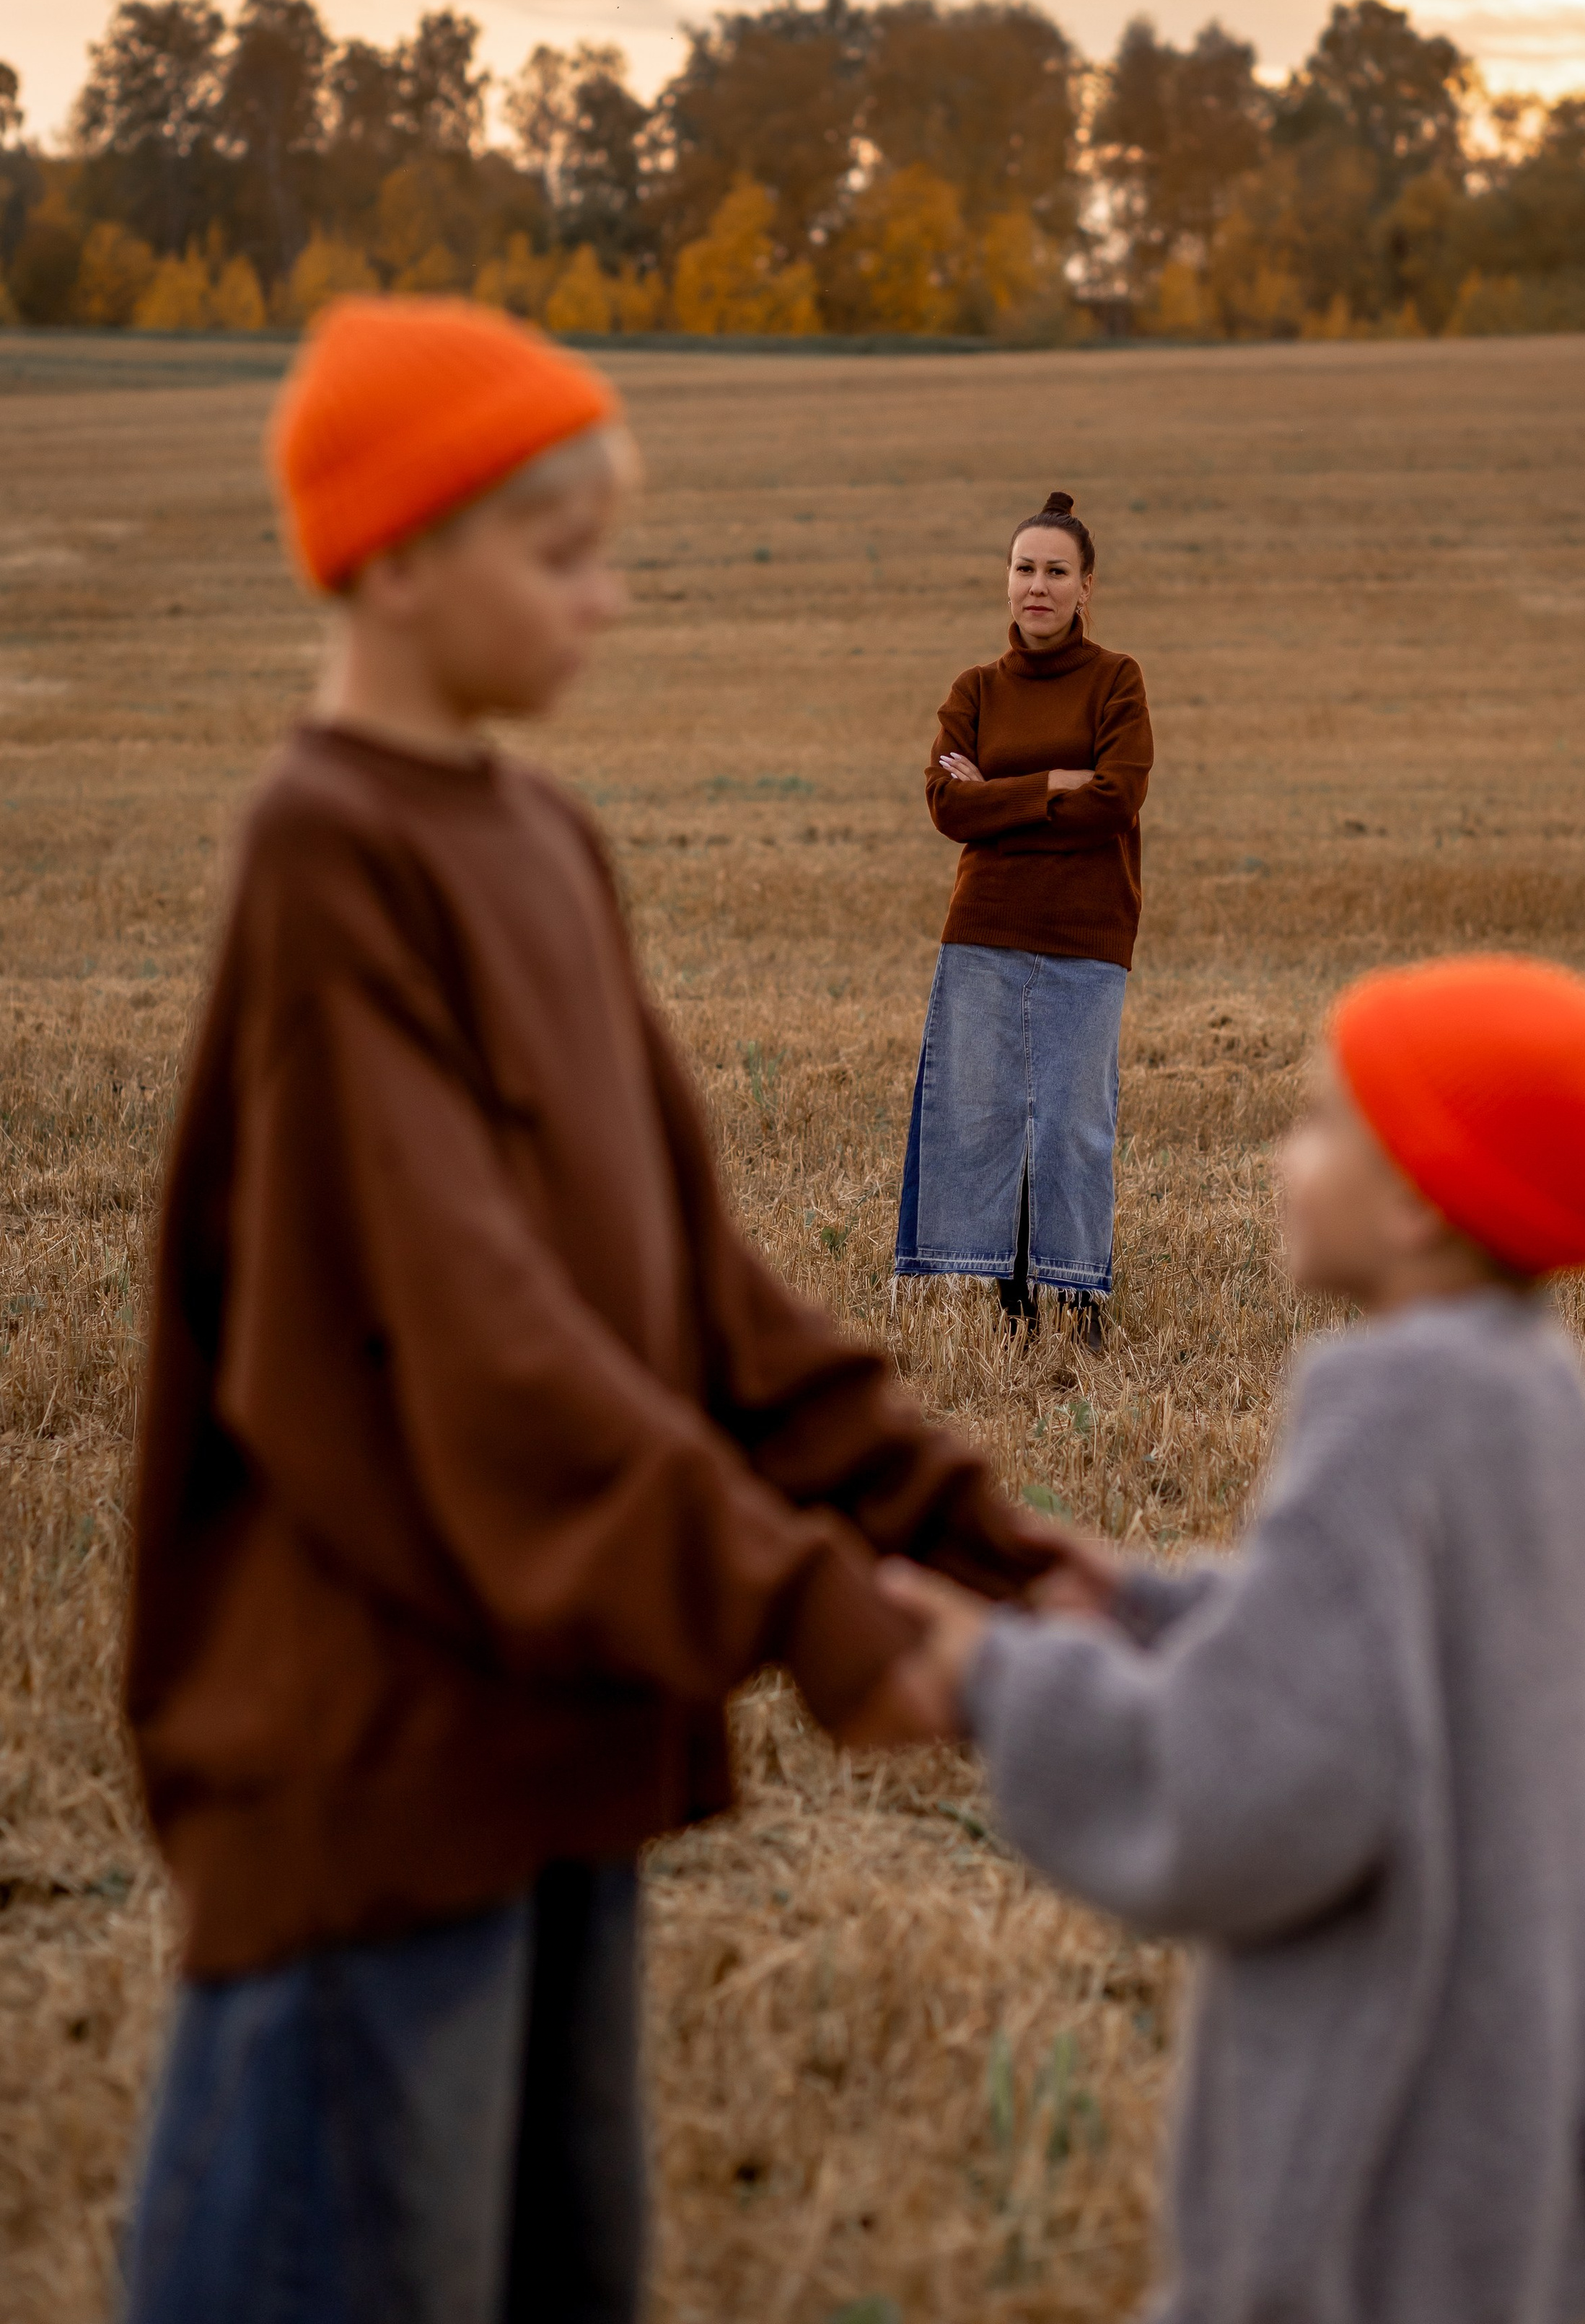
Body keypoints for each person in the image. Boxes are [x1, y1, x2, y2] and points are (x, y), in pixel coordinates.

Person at [119, 296, 1074, 2324]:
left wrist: (974, 1536)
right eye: (559, 553)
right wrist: (811, 1608)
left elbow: (694, 1298)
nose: (608, 602)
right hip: (376, 1777)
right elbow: (476, 1345)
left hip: (560, 1749)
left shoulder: (540, 836)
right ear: (390, 557)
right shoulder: (330, 854)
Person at [885, 954, 1585, 2324]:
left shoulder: (1386, 1405)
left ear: (1419, 1199)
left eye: (1317, 1124)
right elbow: (1378, 1660)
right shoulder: (1534, 1395)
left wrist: (999, 1680)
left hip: (1374, 2187)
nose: (1279, 1158)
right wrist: (1133, 1602)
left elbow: (1248, 1783)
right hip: (1512, 2142)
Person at [894, 489, 1153, 1344]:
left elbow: (1115, 801)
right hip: (984, 933)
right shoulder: (974, 690)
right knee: (985, 1114)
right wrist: (1049, 786)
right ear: (1005, 580)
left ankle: (1078, 1298)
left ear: (1086, 587)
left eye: (1055, 571)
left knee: (1076, 1122)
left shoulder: (1117, 682)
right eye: (1022, 568)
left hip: (1087, 933)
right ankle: (1010, 1300)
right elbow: (944, 805)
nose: (1035, 586)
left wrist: (997, 798)